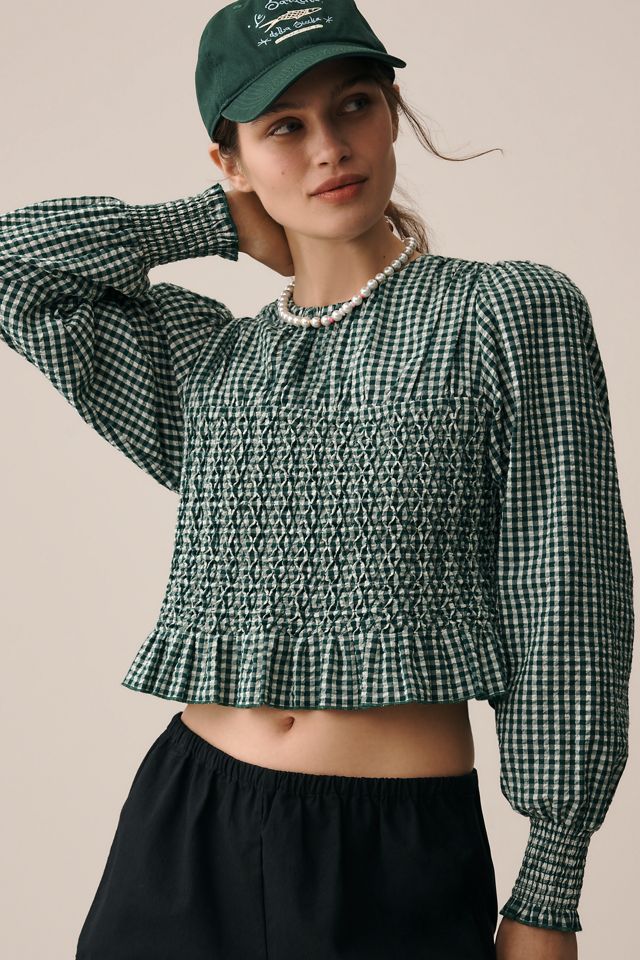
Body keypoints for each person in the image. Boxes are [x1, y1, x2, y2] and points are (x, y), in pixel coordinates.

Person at [0, 1, 633, 958]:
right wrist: (211, 223)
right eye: (284, 128)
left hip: (391, 851)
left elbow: (569, 590)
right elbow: (15, 267)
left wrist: (549, 886)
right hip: (185, 828)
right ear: (230, 160)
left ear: (391, 112)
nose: (330, 148)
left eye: (354, 105)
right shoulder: (208, 361)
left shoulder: (504, 312)